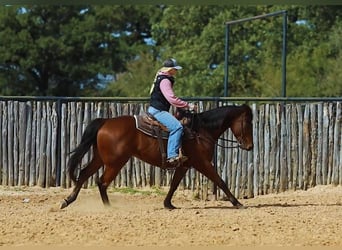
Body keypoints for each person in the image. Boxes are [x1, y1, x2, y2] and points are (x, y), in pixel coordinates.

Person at [148, 58, 195, 166]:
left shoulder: (161, 77)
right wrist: (188, 105)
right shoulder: (165, 80)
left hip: (156, 109)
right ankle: (172, 155)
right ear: (170, 70)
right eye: (175, 69)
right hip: (158, 111)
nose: (176, 71)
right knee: (177, 127)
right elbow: (171, 99)